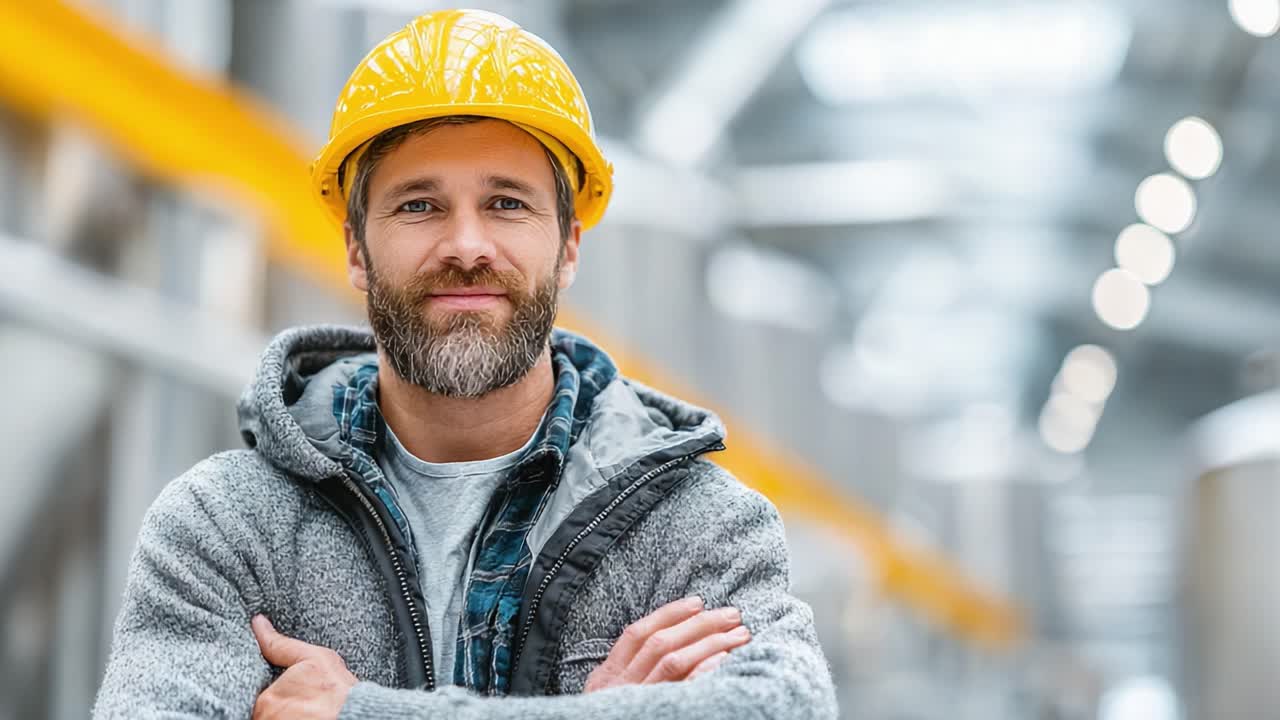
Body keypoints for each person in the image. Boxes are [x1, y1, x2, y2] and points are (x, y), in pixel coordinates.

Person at [92, 9, 836, 719]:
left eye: (507, 203)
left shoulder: (696, 527)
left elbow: (785, 707)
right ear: (356, 249)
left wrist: (367, 714)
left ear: (569, 246)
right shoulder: (229, 524)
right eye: (419, 206)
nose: (467, 245)